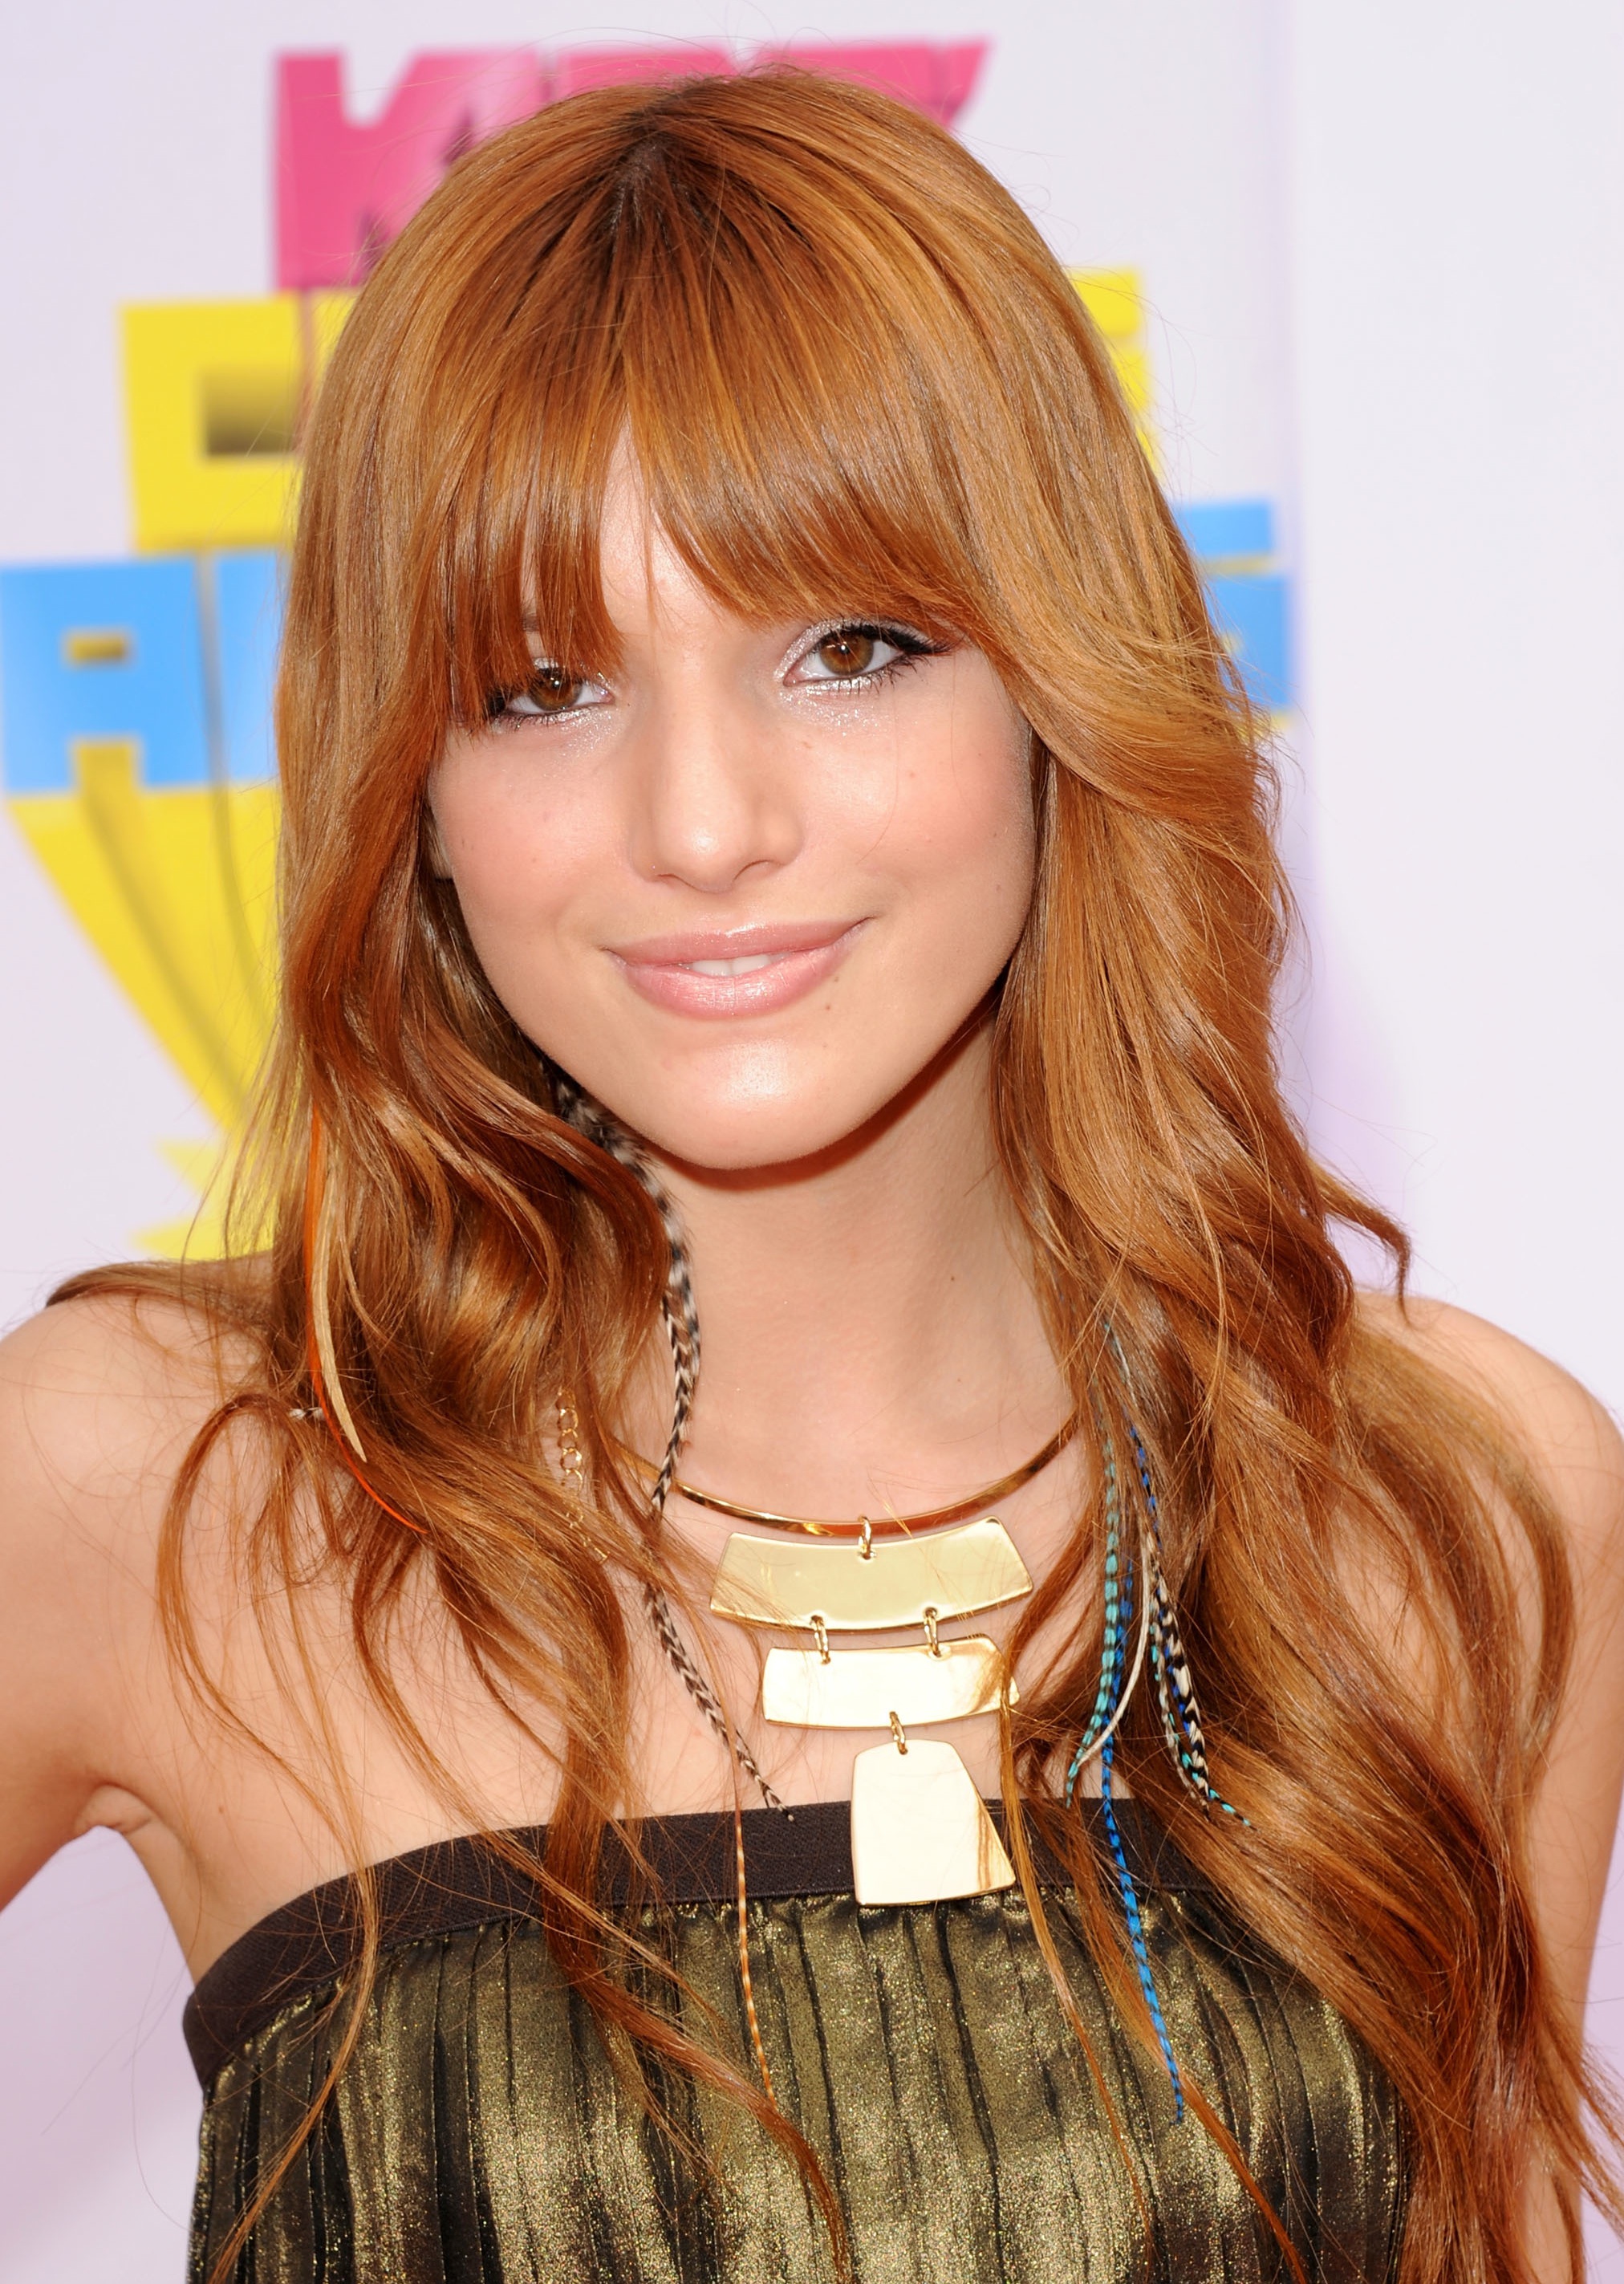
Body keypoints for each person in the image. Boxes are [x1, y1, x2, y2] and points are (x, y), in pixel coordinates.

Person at [2, 67, 1621, 2284]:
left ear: (1055, 682)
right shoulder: (166, 1493)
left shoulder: (1449, 1515)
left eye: (849, 649)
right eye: (543, 685)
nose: (704, 822)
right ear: (413, 786)